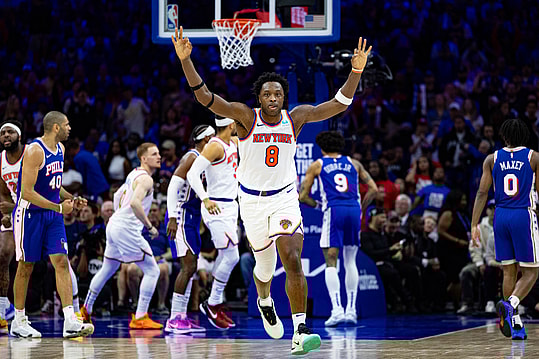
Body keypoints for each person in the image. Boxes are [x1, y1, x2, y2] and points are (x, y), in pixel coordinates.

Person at [172, 26, 371, 354]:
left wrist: (355, 71)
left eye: (278, 94)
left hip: (284, 200)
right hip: (250, 203)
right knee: (264, 269)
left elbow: (338, 104)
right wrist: (186, 61)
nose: (273, 99)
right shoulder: (245, 118)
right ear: (259, 97)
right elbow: (205, 97)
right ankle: (264, 299)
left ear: (284, 97)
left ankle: (300, 330)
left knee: (291, 257)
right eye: (267, 94)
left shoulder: (297, 117)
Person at [10, 111, 93, 338]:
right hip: (30, 215)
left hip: (52, 215)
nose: (69, 128)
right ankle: (18, 320)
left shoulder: (61, 149)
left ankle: (70, 321)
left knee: (62, 262)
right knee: (26, 266)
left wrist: (71, 198)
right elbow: (26, 192)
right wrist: (58, 207)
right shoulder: (35, 151)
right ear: (55, 128)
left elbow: (54, 186)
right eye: (66, 125)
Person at [81, 142, 163, 330]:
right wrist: (149, 226)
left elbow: (117, 195)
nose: (159, 157)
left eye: (158, 153)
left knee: (108, 268)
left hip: (114, 225)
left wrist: (118, 214)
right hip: (125, 228)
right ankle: (141, 316)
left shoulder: (132, 174)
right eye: (154, 154)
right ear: (144, 158)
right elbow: (135, 203)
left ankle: (86, 309)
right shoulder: (147, 180)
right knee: (153, 271)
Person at [299, 131, 377, 326]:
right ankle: (351, 311)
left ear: (322, 147)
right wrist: (361, 208)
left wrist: (318, 205)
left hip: (334, 210)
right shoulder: (354, 163)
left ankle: (337, 310)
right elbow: (374, 189)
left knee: (331, 260)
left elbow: (302, 196)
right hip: (353, 210)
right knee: (351, 260)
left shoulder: (318, 164)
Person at [471, 118, 539, 340]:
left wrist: (474, 224)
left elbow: (482, 193)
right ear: (525, 137)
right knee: (531, 271)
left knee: (509, 271)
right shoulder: (533, 157)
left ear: (503, 137)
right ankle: (511, 305)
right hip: (523, 214)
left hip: (500, 216)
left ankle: (516, 324)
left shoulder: (492, 158)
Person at [186, 117, 240, 329]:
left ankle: (215, 302)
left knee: (226, 255)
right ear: (231, 124)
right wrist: (205, 198)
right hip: (216, 205)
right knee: (232, 255)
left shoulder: (232, 143)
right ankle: (213, 303)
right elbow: (193, 174)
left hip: (230, 205)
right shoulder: (215, 146)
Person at [165, 125, 214, 334]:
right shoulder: (191, 157)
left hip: (193, 218)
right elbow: (172, 187)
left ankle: (182, 316)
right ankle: (175, 318)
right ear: (205, 140)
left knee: (192, 267)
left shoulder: (205, 160)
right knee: (187, 266)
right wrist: (173, 217)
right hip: (181, 216)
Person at [0, 121, 26, 334]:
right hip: (15, 212)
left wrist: (14, 206)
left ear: (19, 135)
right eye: (2, 133)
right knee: (3, 254)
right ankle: (2, 313)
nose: (5, 136)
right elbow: (2, 192)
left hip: (36, 211)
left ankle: (73, 308)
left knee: (58, 260)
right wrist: (6, 213)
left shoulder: (31, 154)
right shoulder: (0, 159)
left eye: (9, 132)